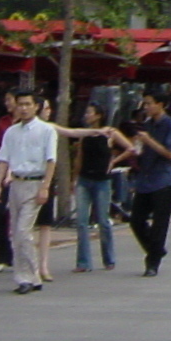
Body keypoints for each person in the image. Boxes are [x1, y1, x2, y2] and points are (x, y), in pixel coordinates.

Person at [0, 89, 56, 295]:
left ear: (36, 106)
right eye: (21, 104)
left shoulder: (47, 131)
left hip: (35, 182)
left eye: (28, 104)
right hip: (16, 183)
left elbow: (51, 160)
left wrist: (45, 186)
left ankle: (26, 277)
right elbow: (3, 159)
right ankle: (31, 274)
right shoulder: (11, 132)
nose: (24, 108)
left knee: (23, 230)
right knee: (17, 232)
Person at [62, 104, 131, 271]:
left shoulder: (110, 132)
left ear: (99, 115)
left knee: (102, 220)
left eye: (89, 112)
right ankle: (83, 262)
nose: (87, 115)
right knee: (81, 221)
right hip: (85, 179)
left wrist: (114, 161)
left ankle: (109, 258)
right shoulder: (85, 135)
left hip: (102, 180)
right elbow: (79, 158)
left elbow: (130, 148)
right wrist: (74, 179)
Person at [126, 89, 171, 277]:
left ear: (161, 105)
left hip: (163, 179)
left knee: (160, 222)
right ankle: (155, 249)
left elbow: (170, 154)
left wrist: (148, 141)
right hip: (145, 178)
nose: (147, 107)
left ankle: (152, 262)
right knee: (136, 221)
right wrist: (137, 148)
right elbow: (141, 150)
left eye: (150, 103)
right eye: (145, 104)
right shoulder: (146, 125)